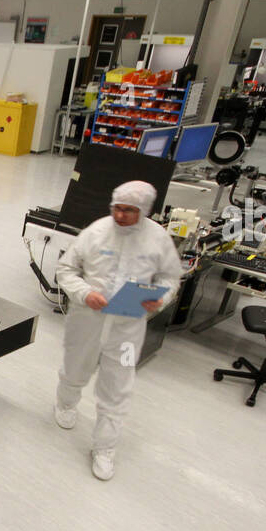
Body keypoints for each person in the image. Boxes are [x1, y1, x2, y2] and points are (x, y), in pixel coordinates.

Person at [53, 181, 181, 481]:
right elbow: (65, 269)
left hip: (127, 326)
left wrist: (160, 298)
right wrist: (84, 293)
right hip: (87, 317)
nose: (121, 216)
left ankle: (104, 449)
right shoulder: (96, 231)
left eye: (129, 211)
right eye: (117, 208)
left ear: (144, 210)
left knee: (117, 387)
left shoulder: (158, 239)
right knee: (75, 369)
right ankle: (65, 404)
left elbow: (171, 277)